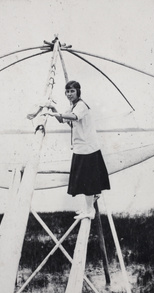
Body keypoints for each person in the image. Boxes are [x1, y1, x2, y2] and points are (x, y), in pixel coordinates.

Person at [27, 80, 110, 220]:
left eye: (72, 91)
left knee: (87, 181)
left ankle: (90, 210)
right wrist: (53, 110)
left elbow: (74, 116)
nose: (69, 94)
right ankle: (90, 204)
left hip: (87, 148)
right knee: (88, 181)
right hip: (82, 148)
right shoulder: (73, 106)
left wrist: (56, 113)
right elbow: (62, 120)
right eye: (67, 91)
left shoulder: (81, 105)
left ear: (78, 91)